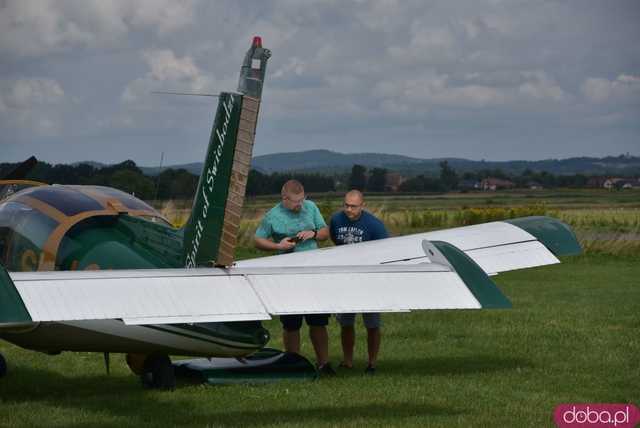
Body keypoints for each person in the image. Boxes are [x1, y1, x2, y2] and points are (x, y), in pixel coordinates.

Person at [254, 179, 335, 375]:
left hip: (313, 274)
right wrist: (278, 246)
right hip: (287, 276)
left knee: (318, 321)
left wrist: (314, 233)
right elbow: (258, 240)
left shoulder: (311, 207)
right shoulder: (272, 216)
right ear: (285, 199)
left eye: (302, 200)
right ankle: (293, 365)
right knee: (291, 323)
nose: (300, 205)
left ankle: (323, 364)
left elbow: (325, 233)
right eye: (296, 202)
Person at [329, 190, 388, 375]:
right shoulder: (336, 220)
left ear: (362, 205)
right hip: (345, 279)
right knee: (346, 323)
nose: (348, 209)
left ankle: (372, 363)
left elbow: (386, 250)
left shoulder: (375, 226)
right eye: (346, 205)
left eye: (353, 206)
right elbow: (335, 240)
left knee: (372, 324)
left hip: (369, 280)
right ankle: (347, 361)